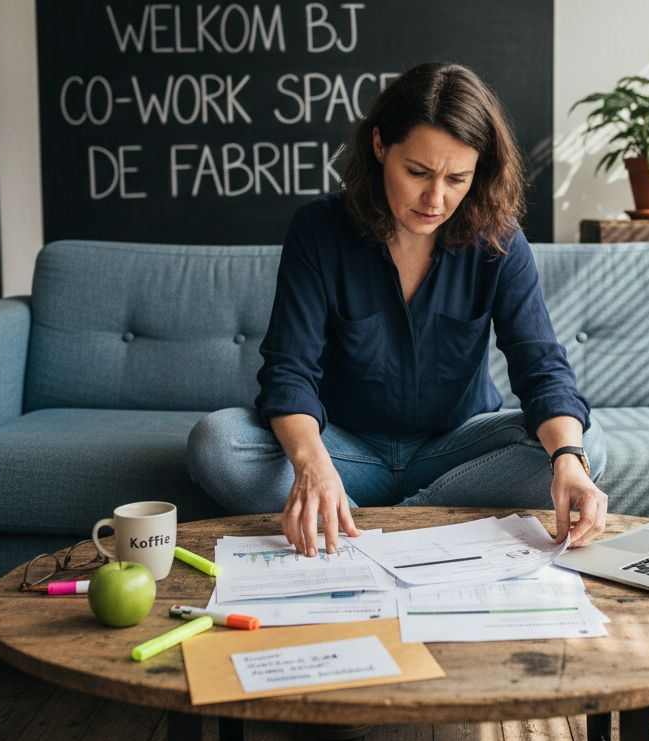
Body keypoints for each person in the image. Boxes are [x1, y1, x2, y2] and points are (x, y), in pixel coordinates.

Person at [188, 62, 608, 557]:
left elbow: (541, 368)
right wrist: (311, 462)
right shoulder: (318, 230)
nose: (436, 199)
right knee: (217, 442)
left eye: (458, 178)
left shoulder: (501, 242)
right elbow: (288, 372)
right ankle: (422, 523)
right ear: (380, 146)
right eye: (417, 173)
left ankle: (372, 525)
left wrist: (567, 458)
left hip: (455, 452)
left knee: (585, 445)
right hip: (343, 450)